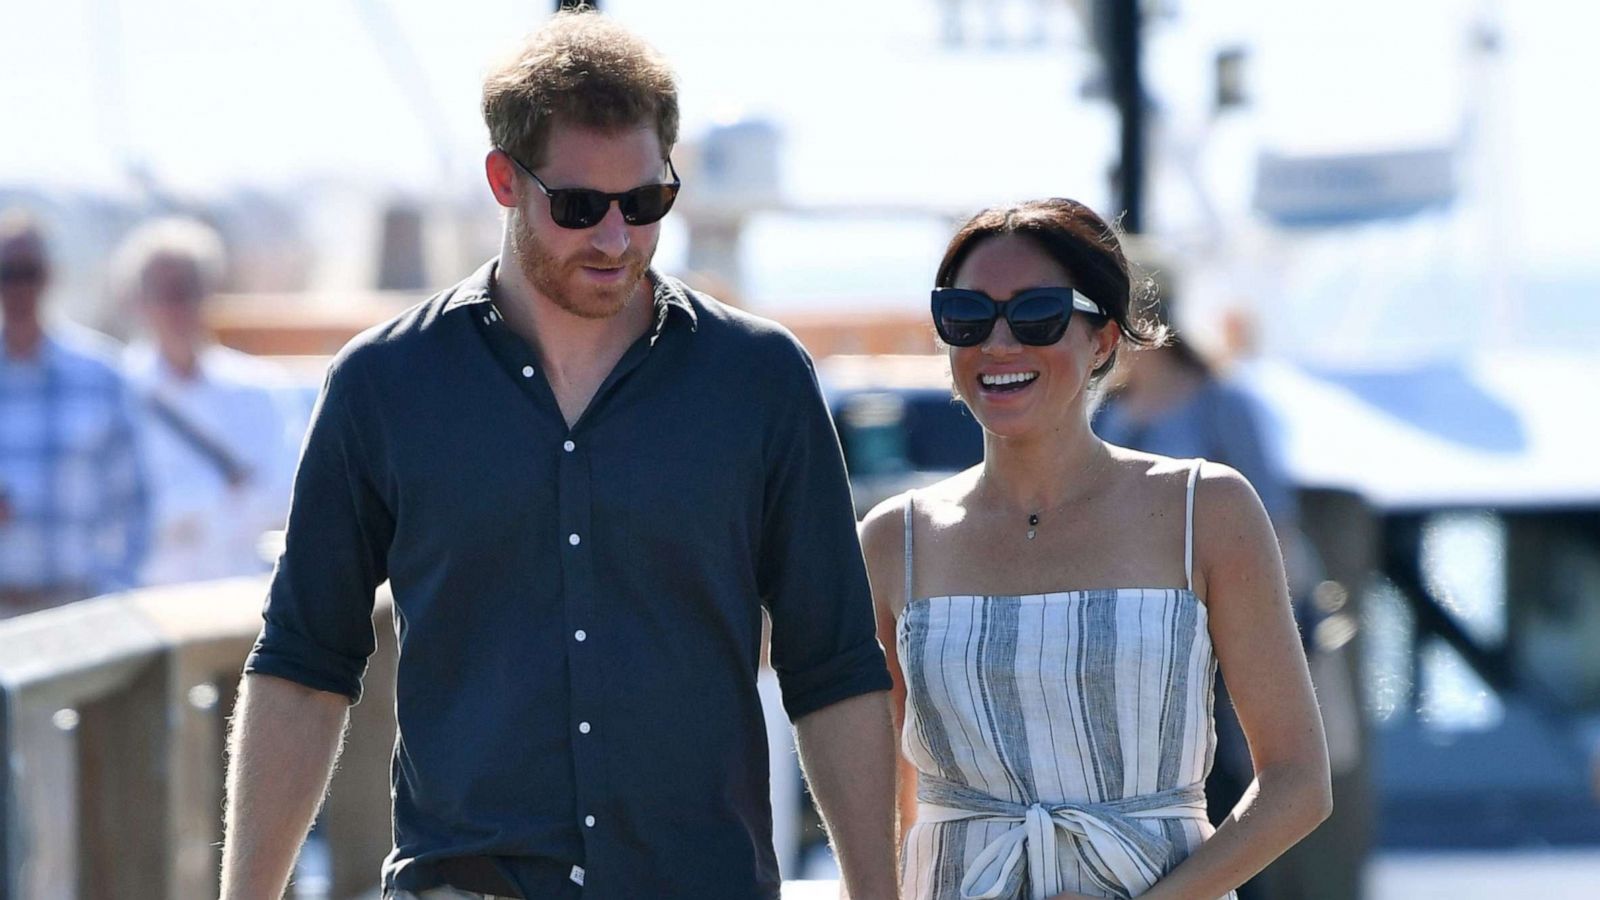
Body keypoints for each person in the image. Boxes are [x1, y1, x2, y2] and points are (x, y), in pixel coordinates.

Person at [221, 11, 897, 900]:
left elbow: (834, 665)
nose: (616, 238)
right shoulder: (384, 383)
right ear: (504, 179)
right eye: (579, 207)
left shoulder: (760, 380)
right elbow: (304, 666)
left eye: (646, 202)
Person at [859, 198, 1331, 899]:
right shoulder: (893, 540)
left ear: (1105, 340)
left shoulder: (1208, 508)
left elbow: (1298, 781)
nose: (997, 341)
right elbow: (882, 803)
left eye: (1037, 313)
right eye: (966, 314)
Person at [115, 216, 303, 587]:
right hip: (153, 605)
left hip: (240, 605)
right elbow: (119, 514)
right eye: (163, 292)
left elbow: (290, 494)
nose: (176, 306)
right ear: (137, 301)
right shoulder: (118, 394)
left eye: (187, 289)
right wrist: (220, 500)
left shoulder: (259, 389)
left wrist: (187, 513)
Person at [0, 208, 150, 616]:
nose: (16, 288)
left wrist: (114, 593)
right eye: (5, 273)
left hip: (73, 609)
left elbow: (135, 503)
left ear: (49, 276)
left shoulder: (100, 375)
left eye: (27, 272)